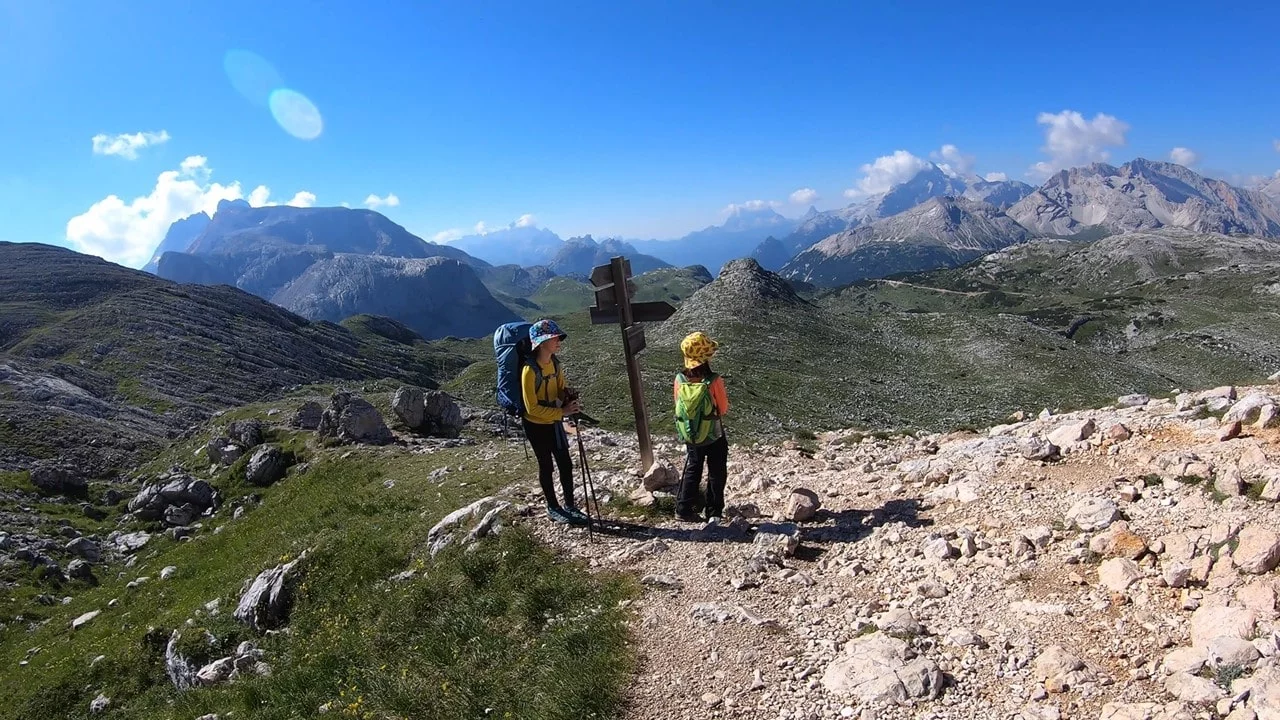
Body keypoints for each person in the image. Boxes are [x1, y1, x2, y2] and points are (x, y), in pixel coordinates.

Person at [521, 319, 588, 525]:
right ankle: (553, 506)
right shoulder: (529, 370)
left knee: (565, 464)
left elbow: (560, 388)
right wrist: (562, 412)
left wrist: (567, 396)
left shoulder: (555, 364)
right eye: (554, 338)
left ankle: (570, 506)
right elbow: (531, 408)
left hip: (553, 422)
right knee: (546, 465)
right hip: (535, 425)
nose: (558, 341)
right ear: (541, 343)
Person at [673, 331, 730, 524]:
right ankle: (713, 512)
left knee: (693, 467)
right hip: (713, 434)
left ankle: (683, 508)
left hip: (691, 434)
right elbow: (722, 408)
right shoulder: (714, 380)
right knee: (716, 470)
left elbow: (678, 405)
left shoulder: (680, 380)